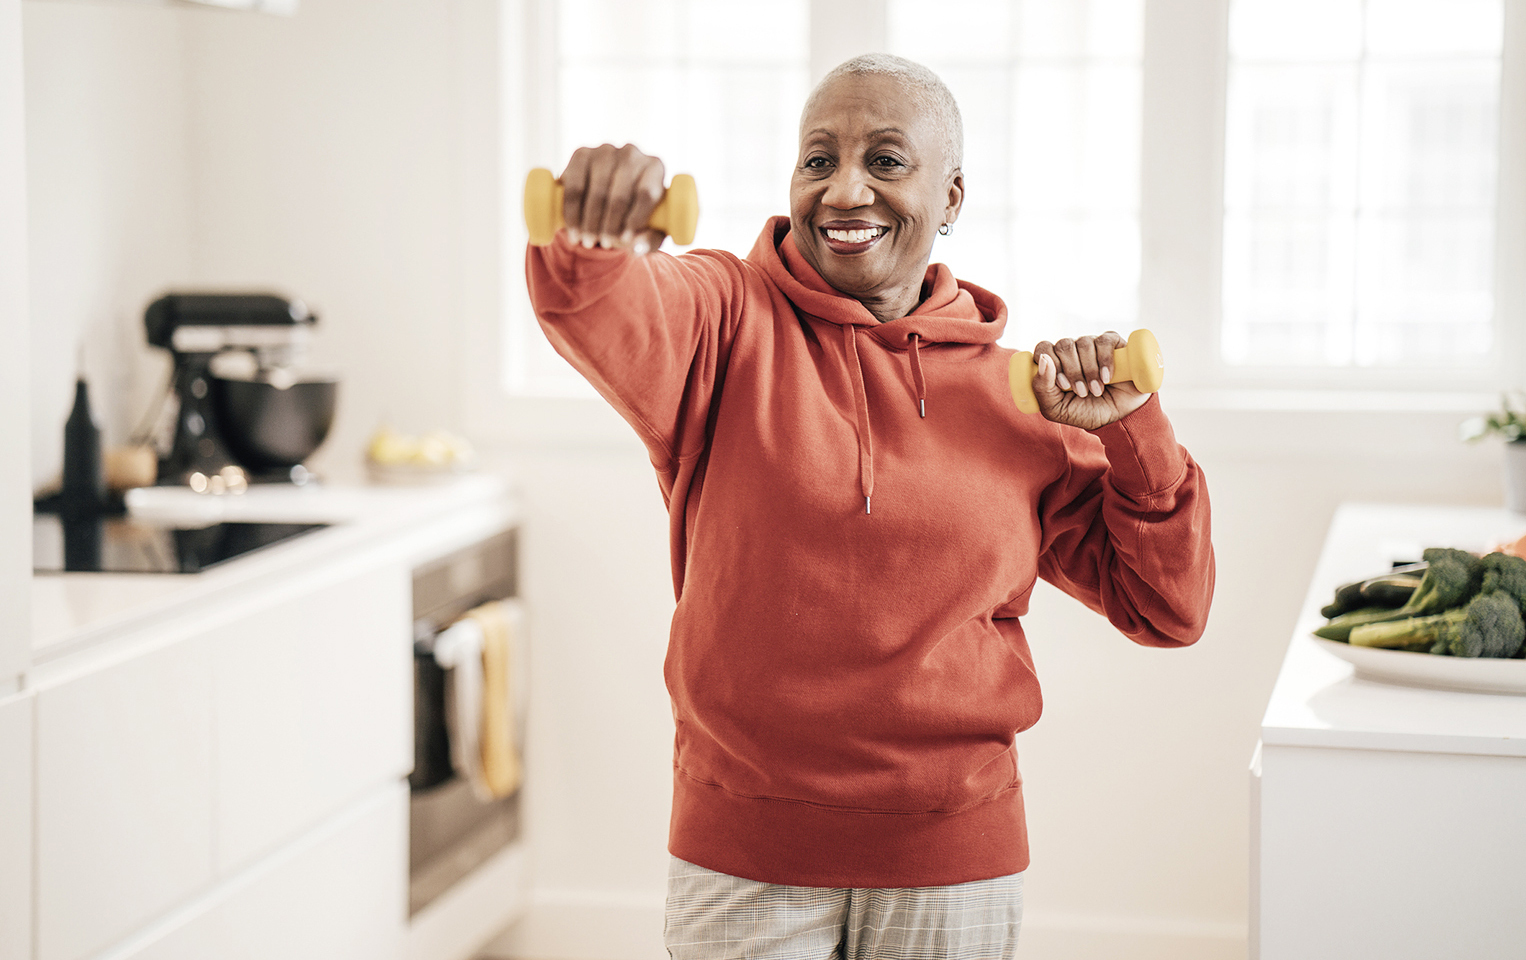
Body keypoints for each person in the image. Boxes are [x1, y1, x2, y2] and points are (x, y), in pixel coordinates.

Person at [527, 53, 1213, 960]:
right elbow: (606, 305)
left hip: (953, 857)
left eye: (885, 161)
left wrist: (1133, 431)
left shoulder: (1020, 396)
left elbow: (1167, 607)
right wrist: (591, 237)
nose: (844, 190)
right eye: (818, 160)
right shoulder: (727, 320)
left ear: (953, 197)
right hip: (745, 860)